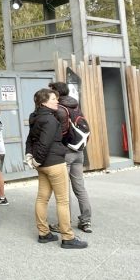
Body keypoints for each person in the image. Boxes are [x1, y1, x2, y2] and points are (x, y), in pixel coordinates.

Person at [25, 88, 88, 249]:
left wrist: (30, 156)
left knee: (42, 198)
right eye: (53, 99)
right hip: (54, 163)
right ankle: (68, 237)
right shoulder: (51, 120)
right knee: (62, 201)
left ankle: (43, 233)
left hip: (43, 166)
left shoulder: (35, 117)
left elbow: (30, 140)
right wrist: (38, 159)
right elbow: (45, 143)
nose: (57, 101)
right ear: (44, 102)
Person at [48, 81, 92, 233]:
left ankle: (64, 224)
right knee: (80, 188)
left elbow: (61, 132)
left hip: (66, 152)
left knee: (63, 190)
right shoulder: (75, 105)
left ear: (57, 93)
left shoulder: (59, 109)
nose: (50, 95)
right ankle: (86, 221)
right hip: (79, 150)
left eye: (51, 92)